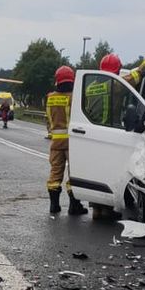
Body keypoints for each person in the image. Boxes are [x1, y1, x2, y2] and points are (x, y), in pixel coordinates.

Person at [46, 65, 87, 215]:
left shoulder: (50, 98)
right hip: (72, 142)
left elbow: (48, 120)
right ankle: (74, 206)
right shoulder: (73, 97)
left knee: (55, 173)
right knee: (74, 173)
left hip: (56, 142)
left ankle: (54, 205)